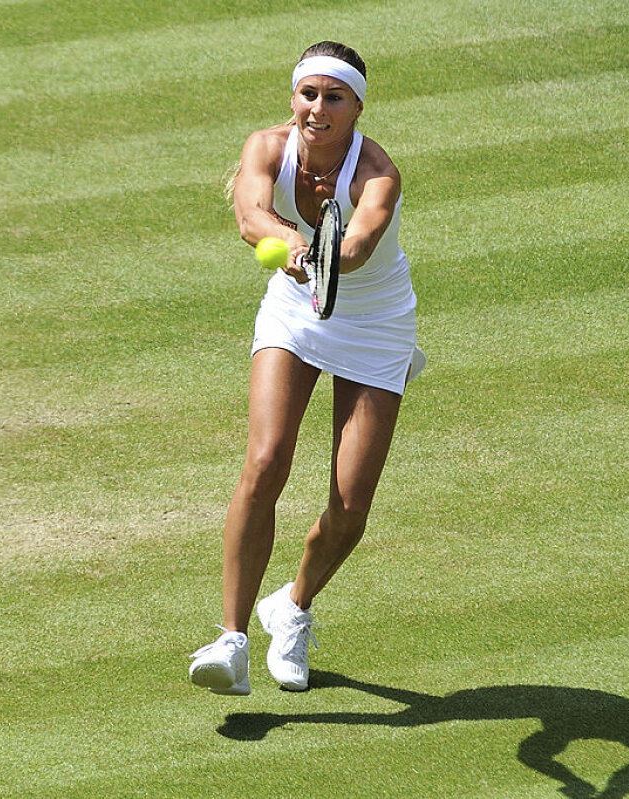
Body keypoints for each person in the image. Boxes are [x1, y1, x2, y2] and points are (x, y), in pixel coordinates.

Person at [189, 41, 425, 695]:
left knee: (349, 506)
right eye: (308, 94)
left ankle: (291, 606)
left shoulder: (376, 172)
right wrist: (294, 243)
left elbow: (357, 245)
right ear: (294, 97)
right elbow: (249, 214)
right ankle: (232, 640)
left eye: (334, 97)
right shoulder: (267, 146)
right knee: (265, 460)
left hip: (375, 325)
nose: (317, 109)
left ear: (357, 107)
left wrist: (325, 255)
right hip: (295, 311)